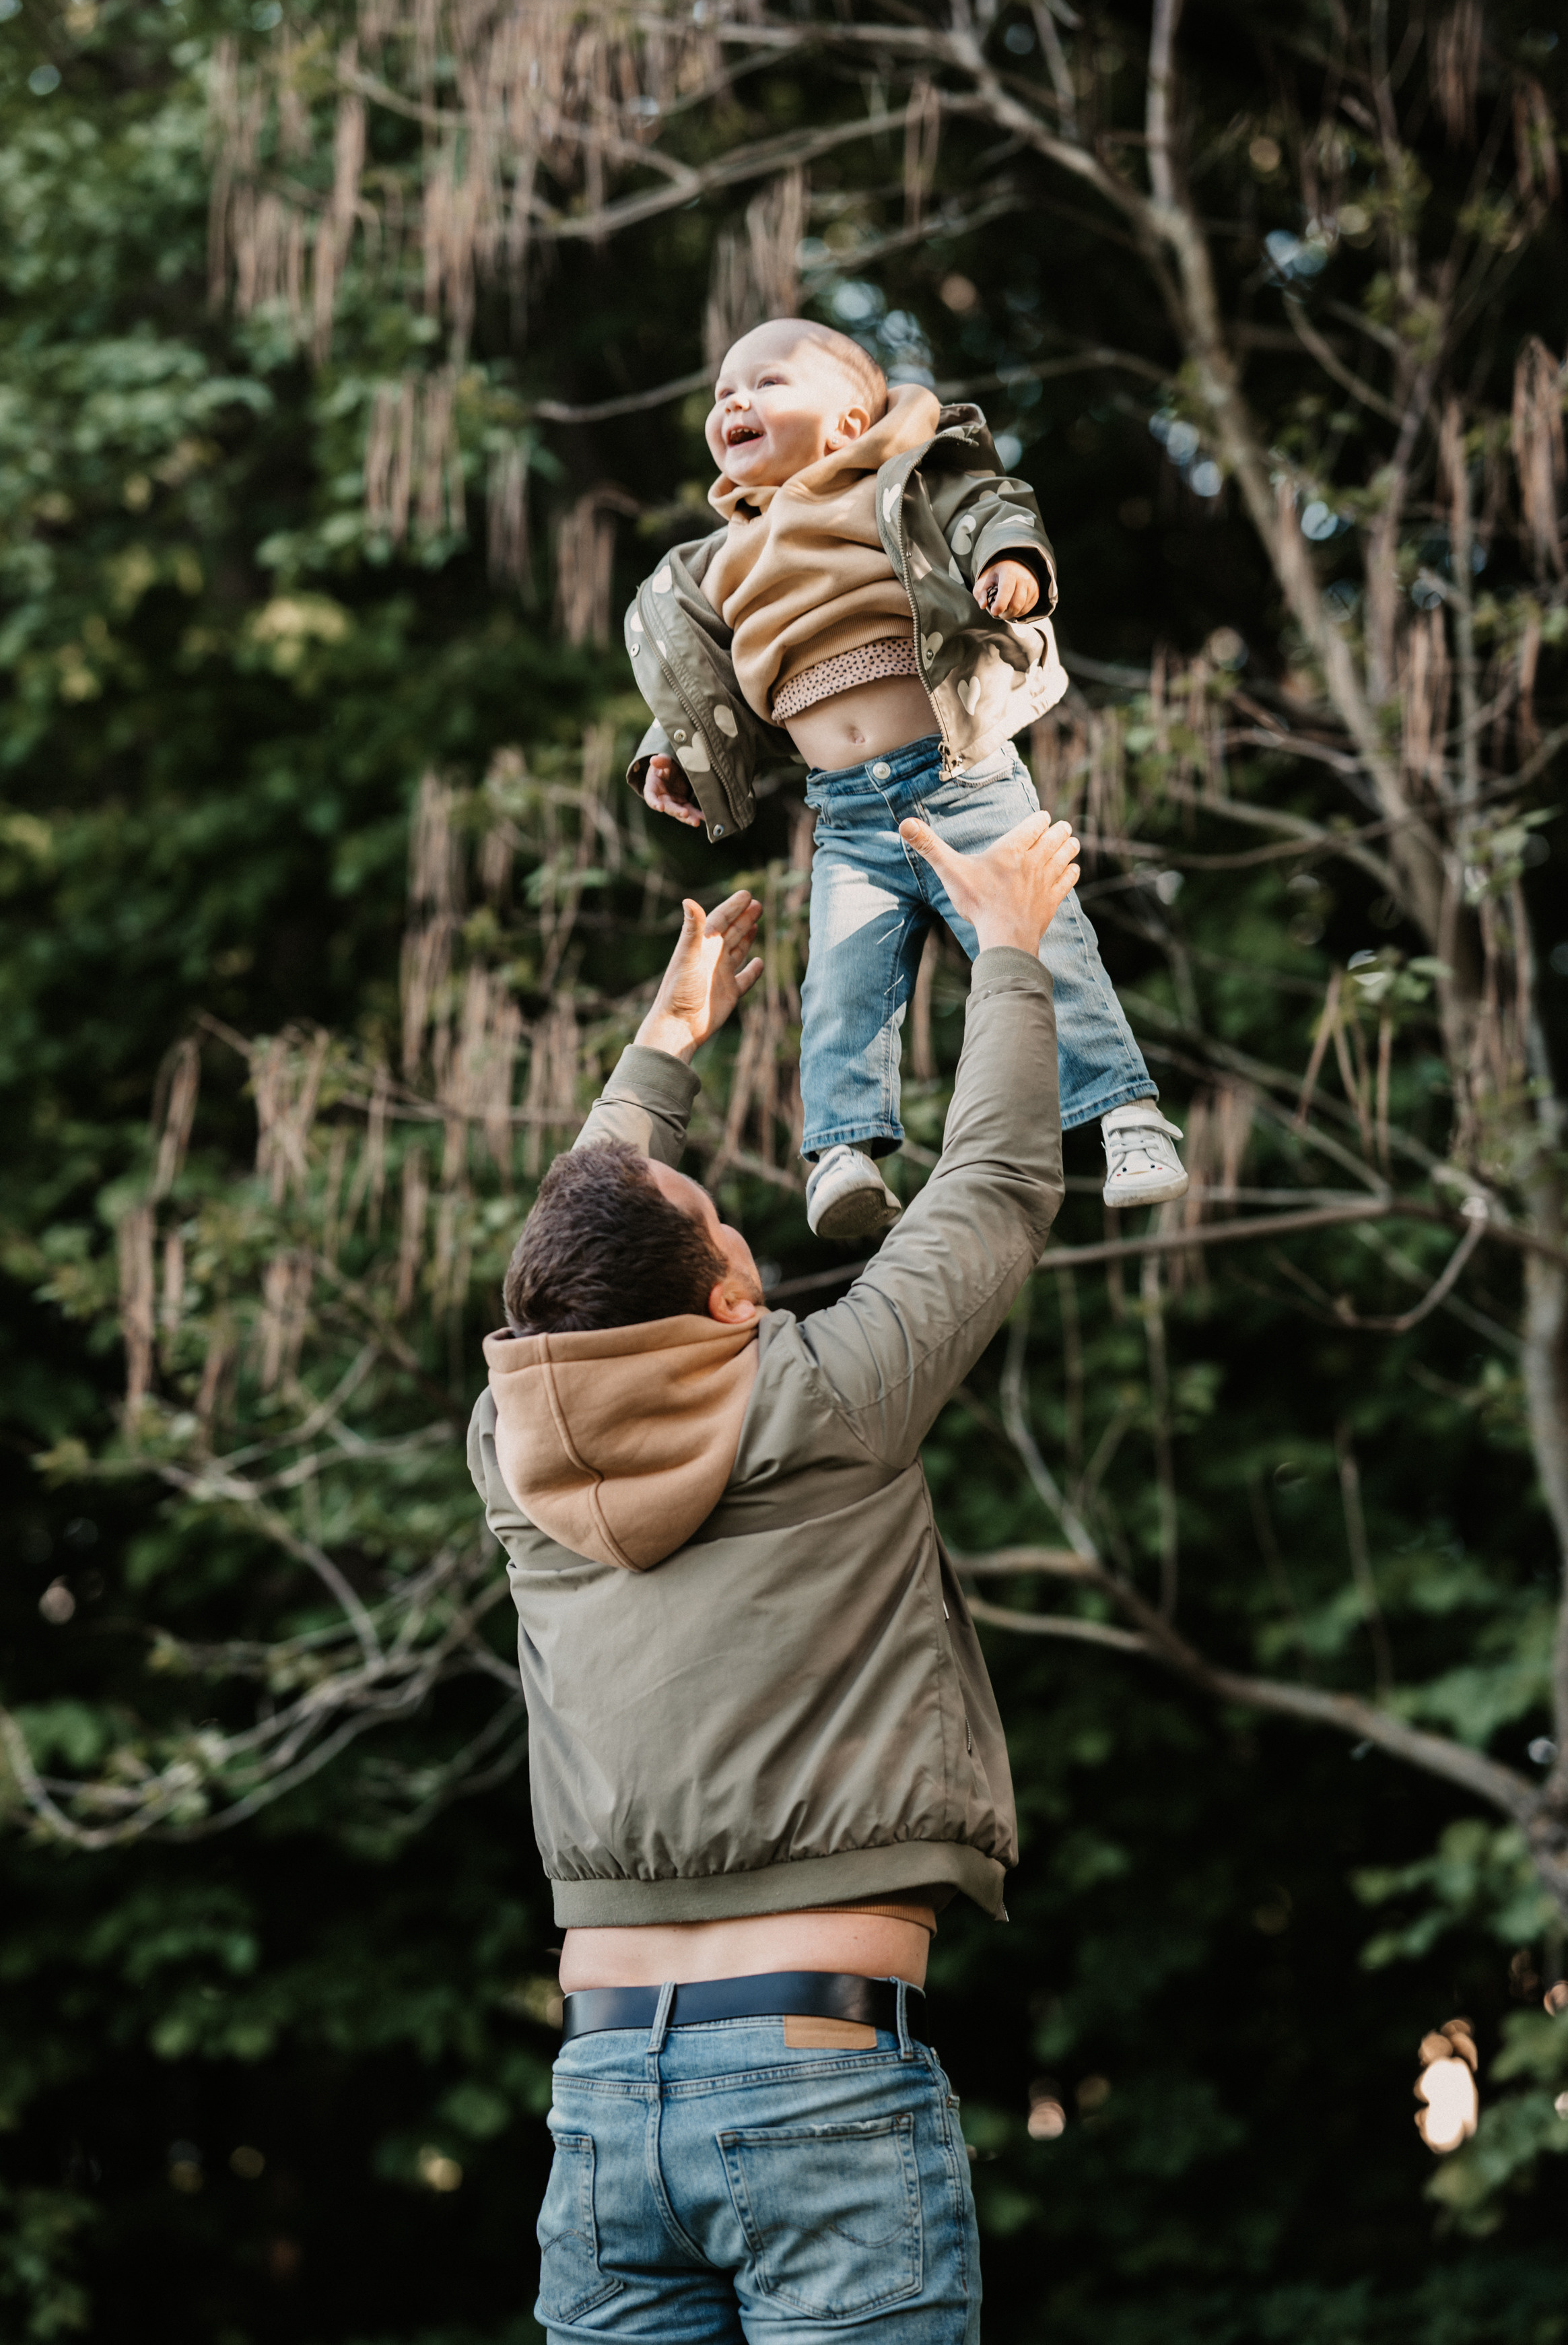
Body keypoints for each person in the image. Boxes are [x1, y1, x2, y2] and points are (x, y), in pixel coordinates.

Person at [467, 805, 1079, 2342]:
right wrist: (1012, 947)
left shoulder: (516, 1455)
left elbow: (579, 1258)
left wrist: (665, 1048)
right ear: (731, 1299)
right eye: (723, 1224)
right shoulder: (820, 1395)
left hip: (602, 2097)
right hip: (820, 2082)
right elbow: (994, 1184)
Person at [622, 313, 1186, 1237]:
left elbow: (985, 510)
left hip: (962, 779)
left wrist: (1009, 562)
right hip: (847, 816)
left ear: (847, 424)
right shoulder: (721, 560)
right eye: (724, 391)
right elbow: (697, 673)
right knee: (843, 982)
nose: (735, 400)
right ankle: (841, 1155)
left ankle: (1127, 1116)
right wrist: (667, 752)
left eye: (767, 383)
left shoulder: (893, 485)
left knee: (1047, 951)